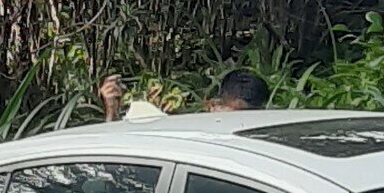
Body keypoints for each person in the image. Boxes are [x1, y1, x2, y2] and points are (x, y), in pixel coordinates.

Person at [97, 67, 271, 121]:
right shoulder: (187, 141)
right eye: (238, 115)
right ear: (214, 106)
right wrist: (112, 110)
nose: (243, 123)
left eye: (252, 117)